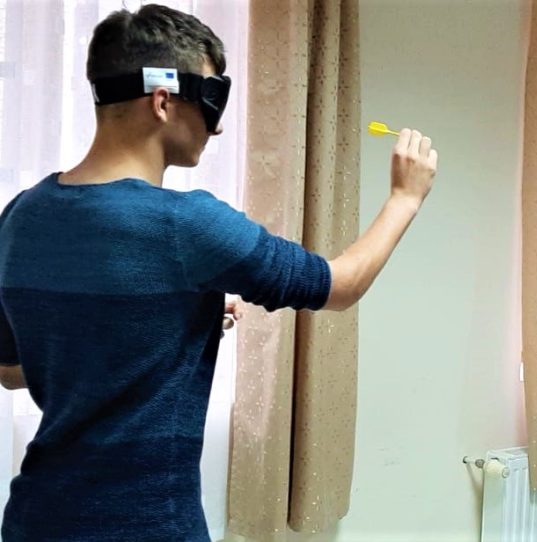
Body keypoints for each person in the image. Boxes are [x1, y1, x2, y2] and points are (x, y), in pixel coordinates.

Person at [0, 4, 437, 541]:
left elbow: (13, 370)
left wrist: (172, 327)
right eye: (211, 100)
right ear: (163, 100)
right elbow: (338, 286)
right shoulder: (187, 226)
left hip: (35, 521)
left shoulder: (20, 216)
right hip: (149, 525)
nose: (219, 124)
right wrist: (405, 197)